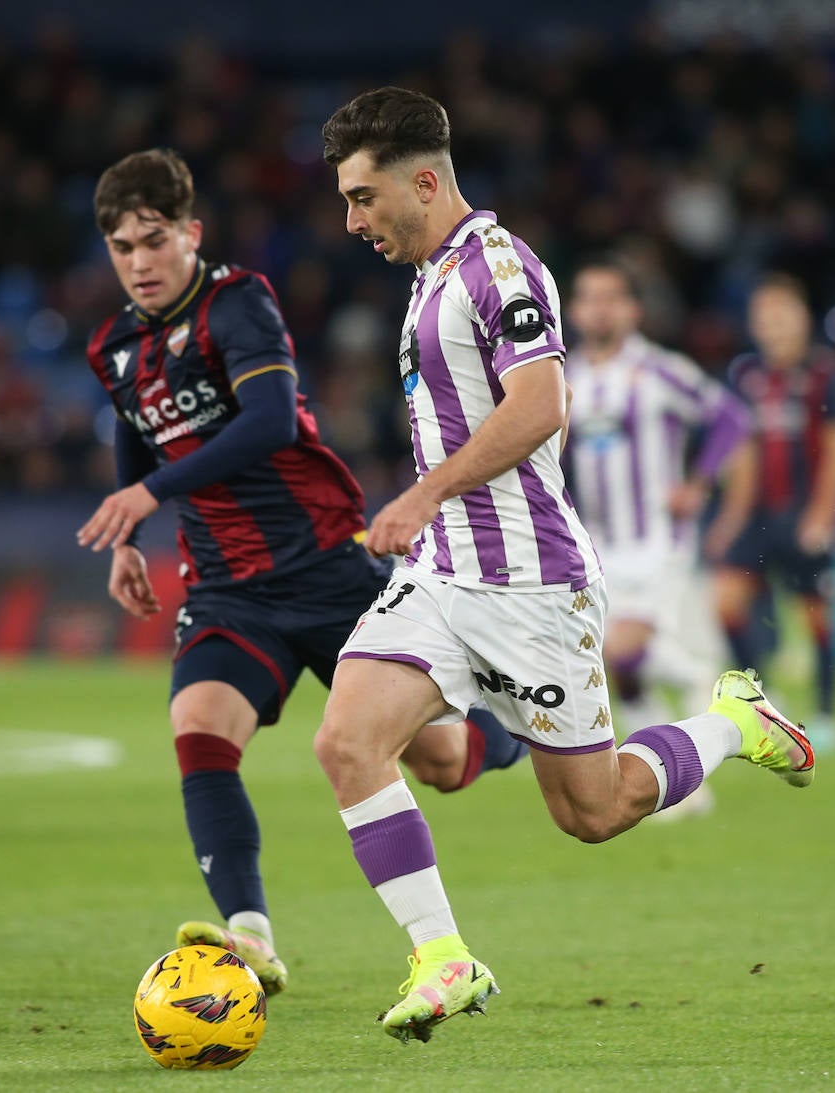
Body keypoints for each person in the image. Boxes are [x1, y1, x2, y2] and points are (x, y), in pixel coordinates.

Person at [316, 86, 816, 1045]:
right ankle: (441, 957)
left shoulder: (497, 269)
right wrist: (426, 520)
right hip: (441, 578)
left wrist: (422, 494)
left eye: (364, 197)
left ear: (424, 181)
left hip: (533, 587)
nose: (352, 221)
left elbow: (541, 405)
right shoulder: (428, 276)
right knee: (345, 742)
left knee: (592, 812)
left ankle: (730, 722)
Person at [73, 148, 527, 997]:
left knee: (439, 758)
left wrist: (147, 492)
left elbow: (271, 421)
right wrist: (130, 526)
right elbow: (138, 430)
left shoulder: (237, 303)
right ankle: (250, 937)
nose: (138, 261)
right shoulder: (115, 346)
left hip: (325, 566)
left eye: (153, 239)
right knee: (199, 730)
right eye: (121, 247)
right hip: (225, 588)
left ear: (190, 234)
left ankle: (522, 729)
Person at [564, 254, 756, 819]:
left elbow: (730, 418)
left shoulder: (659, 370)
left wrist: (698, 481)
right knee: (616, 668)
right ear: (574, 310)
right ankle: (679, 787)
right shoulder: (564, 376)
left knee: (618, 649)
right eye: (589, 297)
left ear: (631, 309)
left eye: (611, 297)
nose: (600, 308)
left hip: (657, 544)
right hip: (598, 545)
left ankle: (711, 693)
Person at [714, 273, 835, 754]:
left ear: (802, 318)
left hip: (804, 512)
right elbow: (742, 453)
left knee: (816, 616)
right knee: (726, 602)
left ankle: (826, 713)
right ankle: (765, 699)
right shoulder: (744, 375)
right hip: (757, 516)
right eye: (763, 317)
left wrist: (822, 515)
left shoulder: (824, 374)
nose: (772, 325)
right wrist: (731, 519)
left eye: (781, 314)